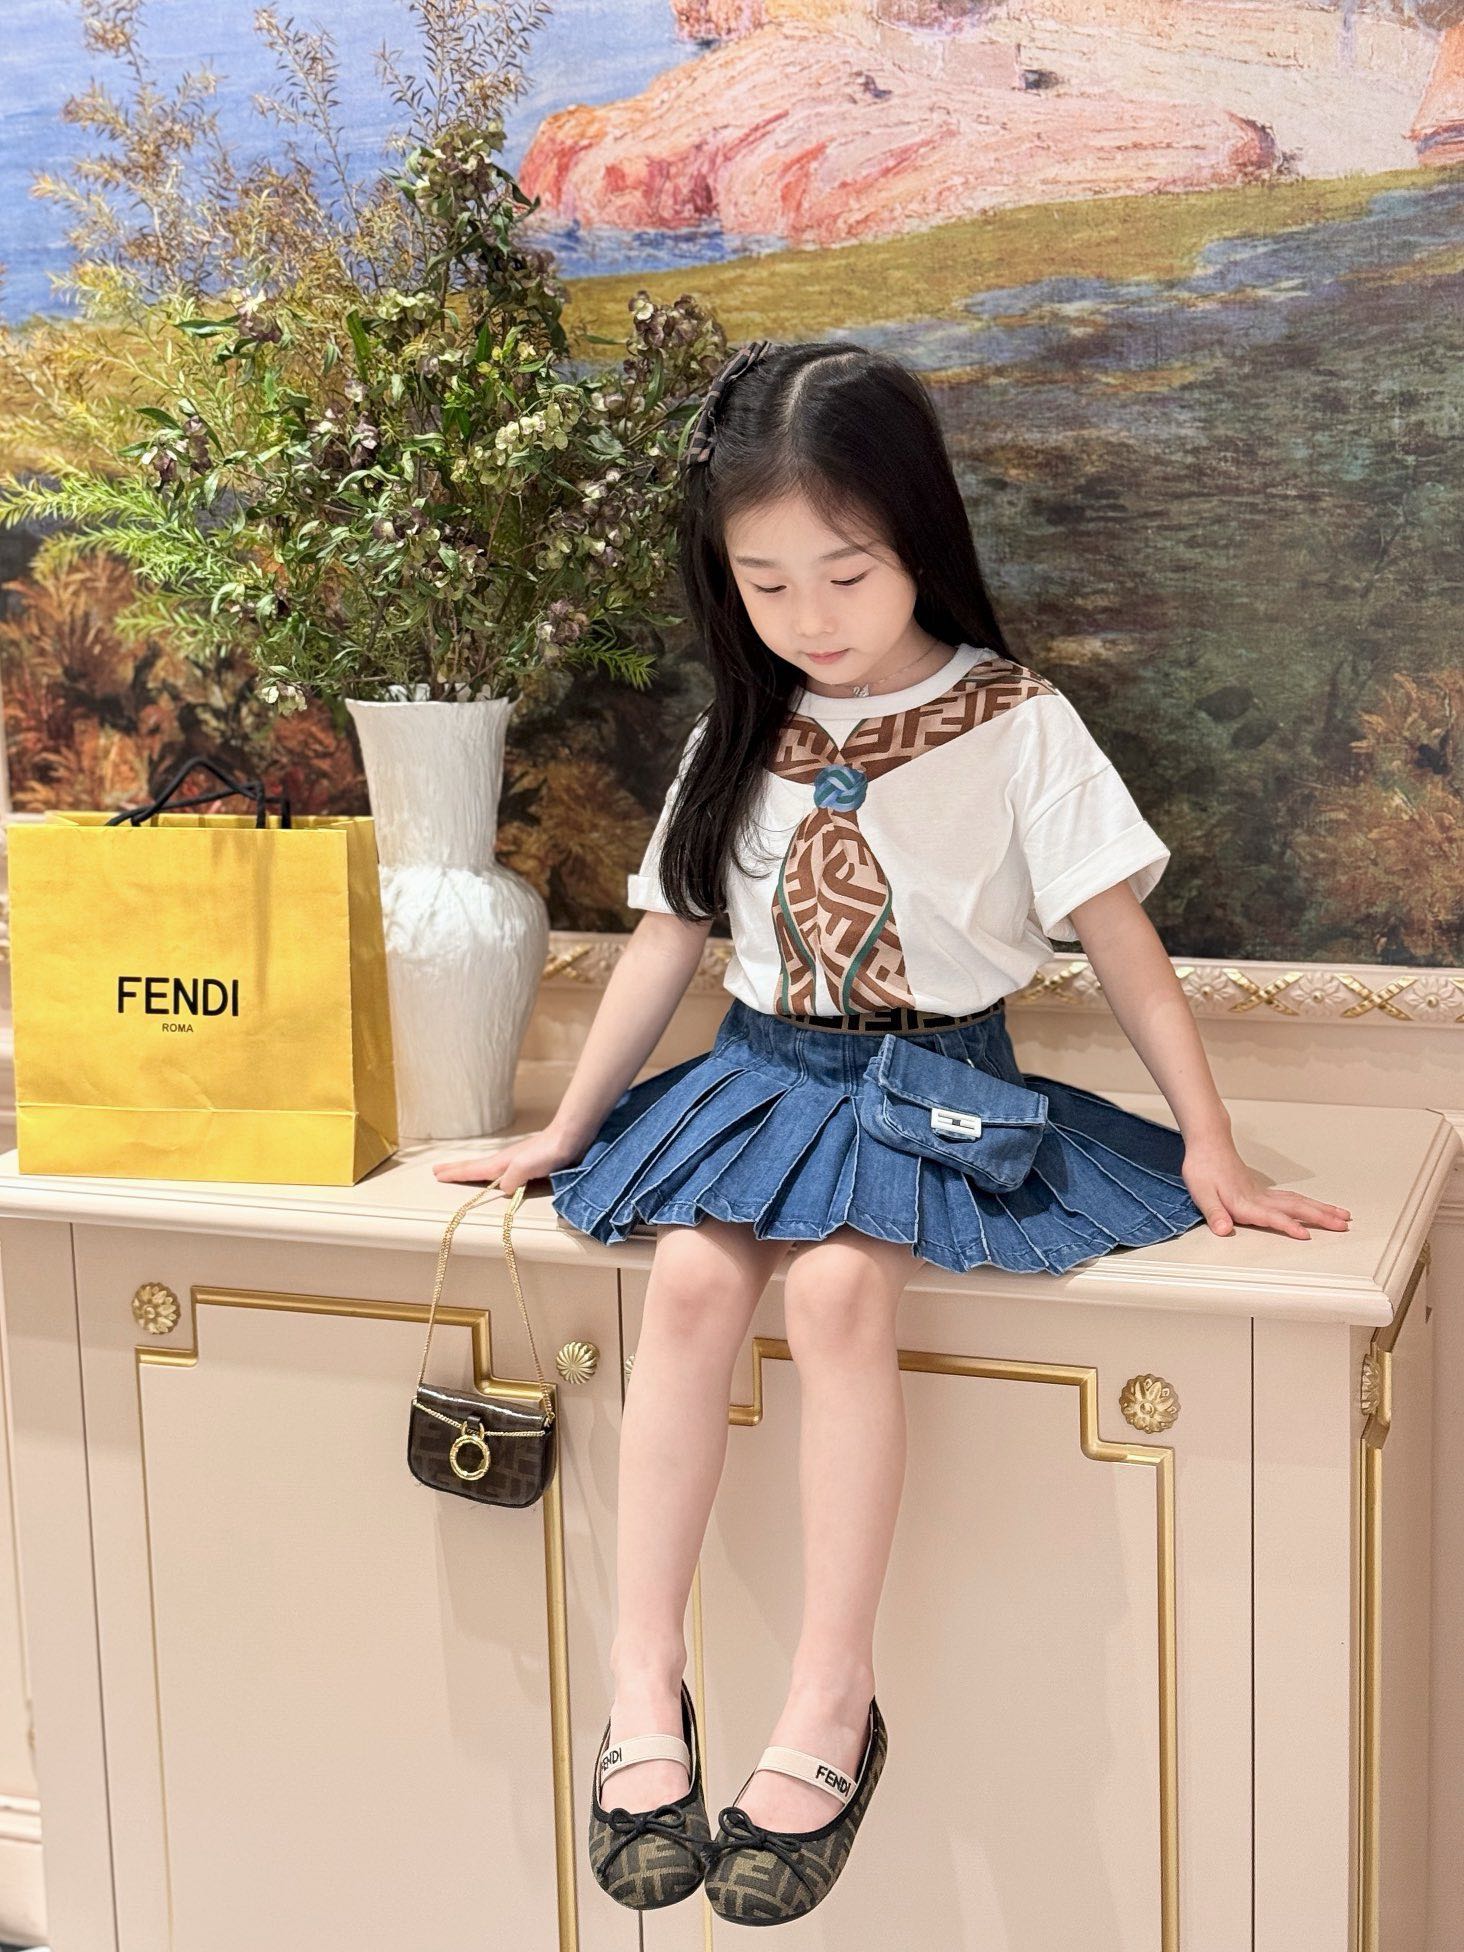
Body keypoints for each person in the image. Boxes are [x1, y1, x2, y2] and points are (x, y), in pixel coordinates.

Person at [433, 340, 1352, 1926]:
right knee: (694, 1281)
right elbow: (668, 941)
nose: (810, 617)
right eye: (766, 583)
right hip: (761, 1077)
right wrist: (561, 1131)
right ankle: (642, 1683)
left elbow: (1121, 942)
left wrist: (1210, 1144)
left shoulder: (1017, 721)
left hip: (941, 1081)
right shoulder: (746, 722)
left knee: (846, 1290)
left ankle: (831, 1697)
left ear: (917, 536)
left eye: (845, 574)